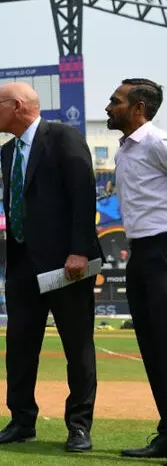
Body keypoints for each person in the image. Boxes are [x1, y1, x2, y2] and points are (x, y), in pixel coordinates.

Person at [0, 83, 102, 452]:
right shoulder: (8, 151)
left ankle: (79, 426)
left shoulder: (63, 137)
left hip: (66, 265)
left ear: (17, 106)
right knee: (19, 348)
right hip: (22, 264)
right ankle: (21, 421)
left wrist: (79, 250)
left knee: (77, 348)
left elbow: (84, 194)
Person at [106, 78, 167, 458]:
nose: (109, 107)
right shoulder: (124, 151)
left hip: (162, 249)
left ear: (139, 107)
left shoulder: (157, 143)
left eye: (116, 101)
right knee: (153, 347)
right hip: (141, 253)